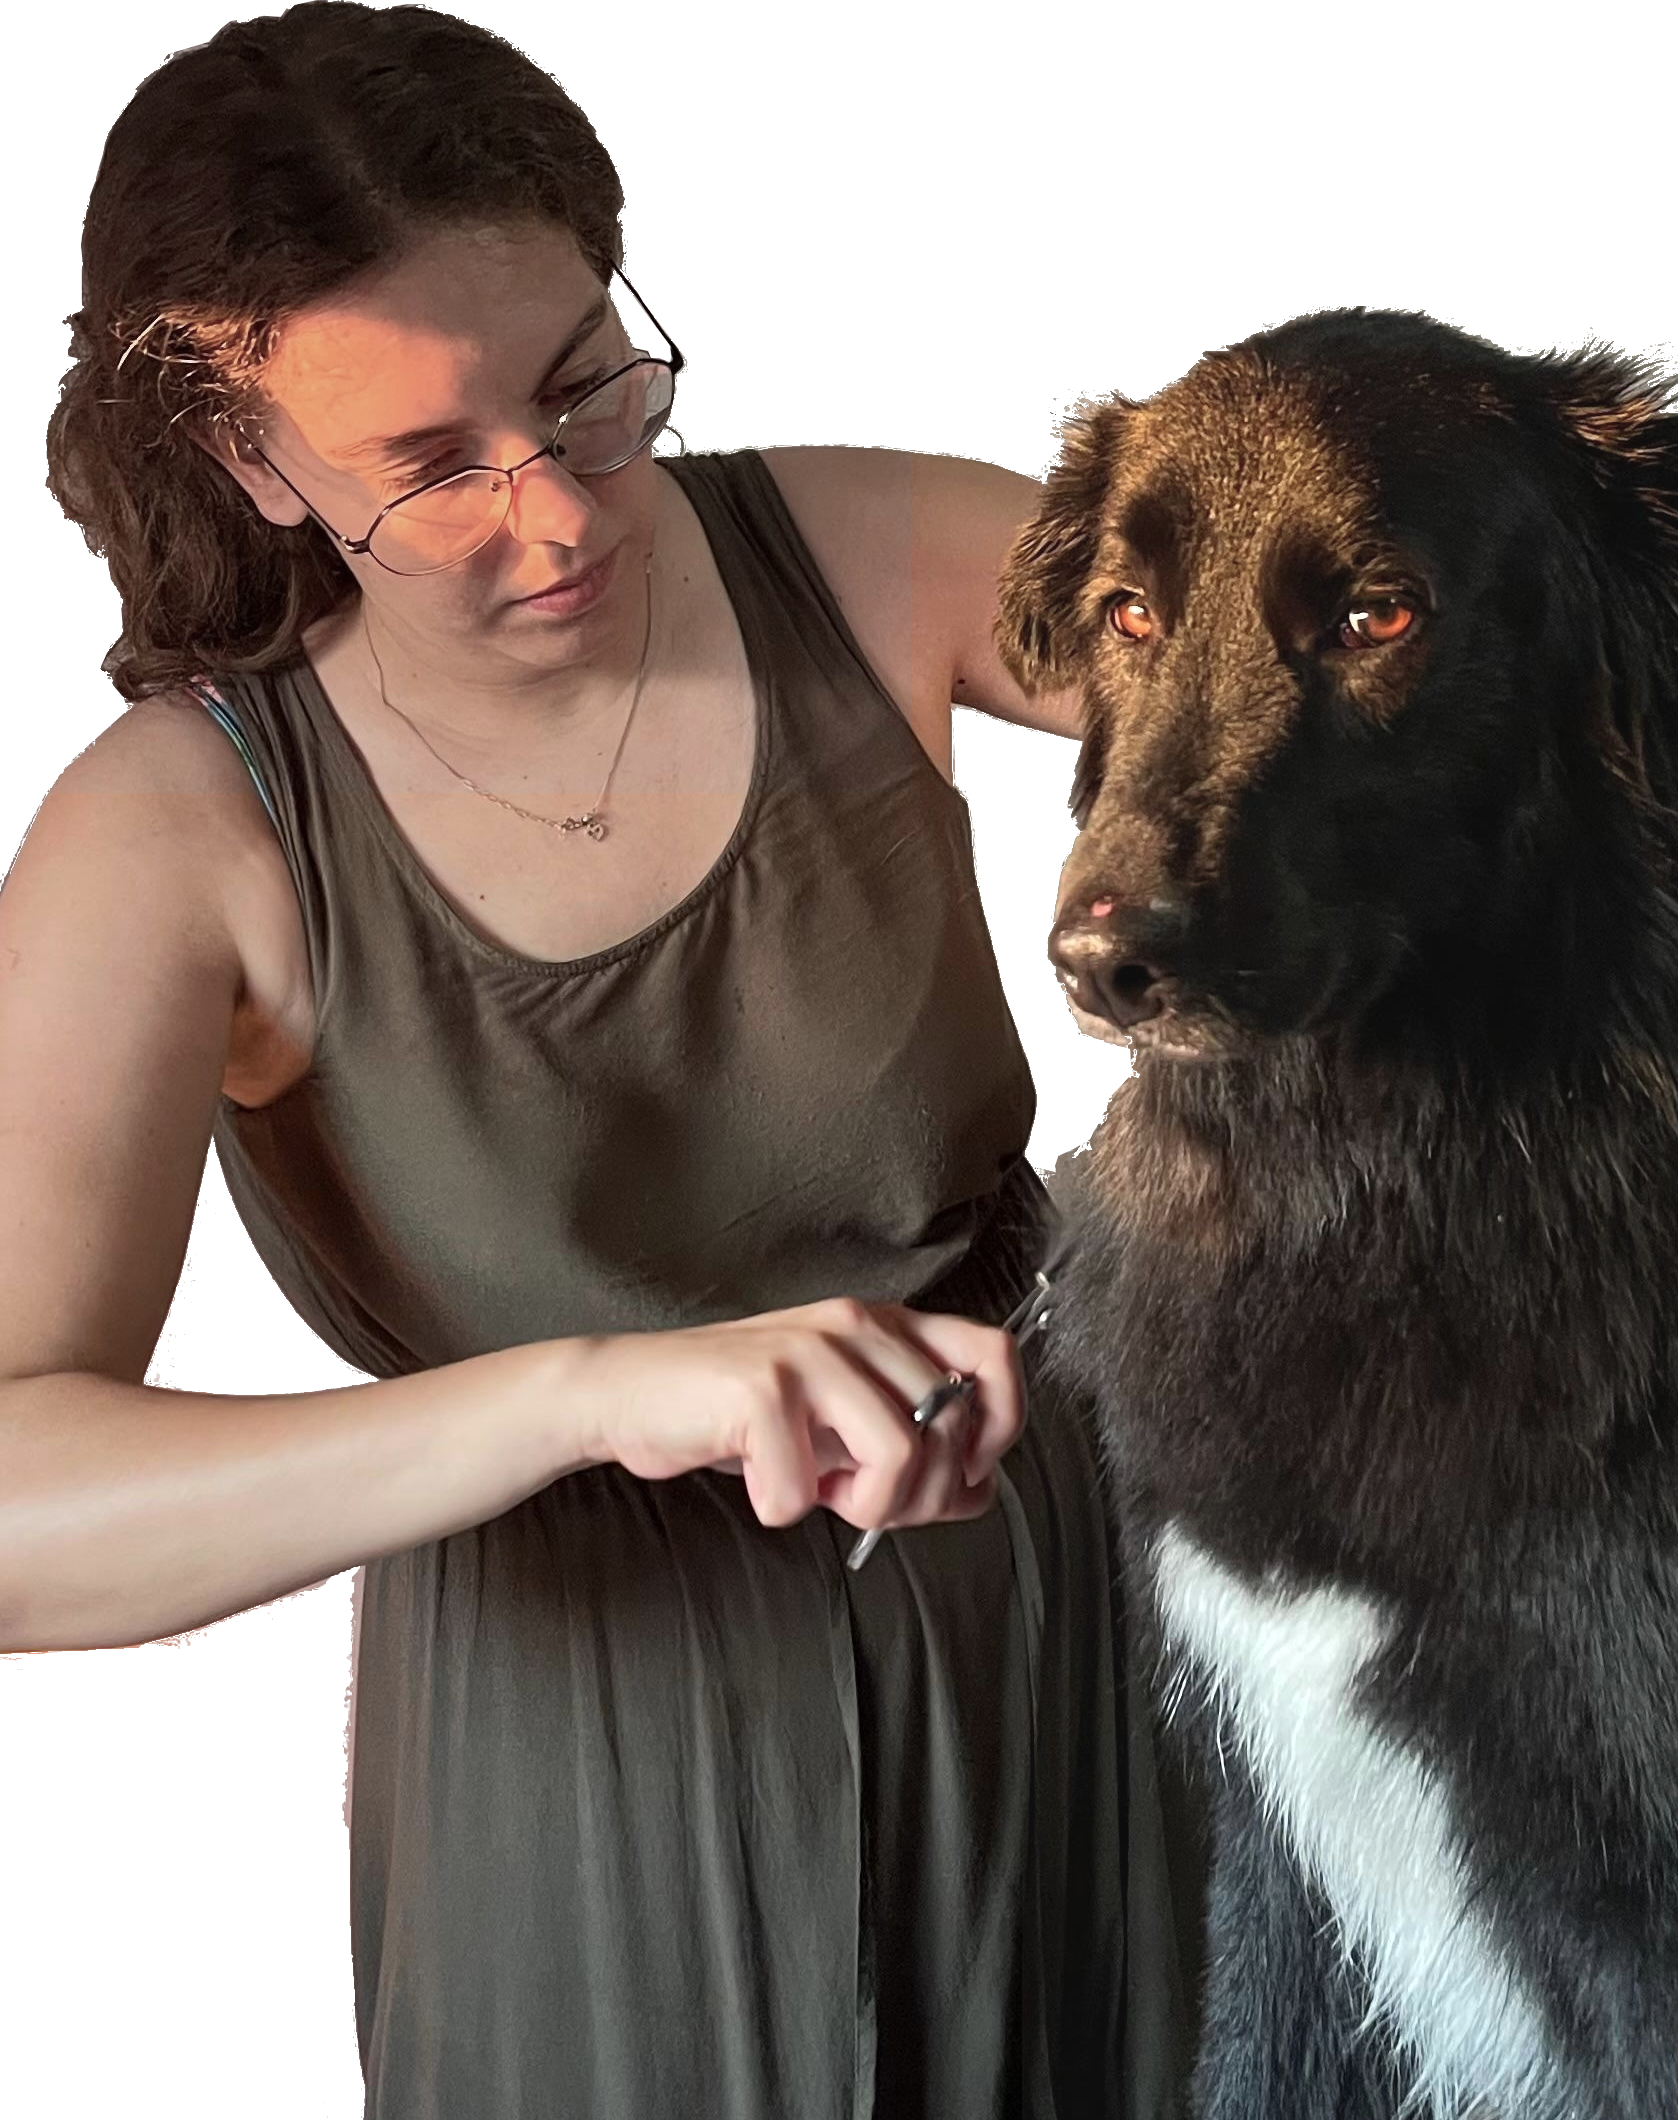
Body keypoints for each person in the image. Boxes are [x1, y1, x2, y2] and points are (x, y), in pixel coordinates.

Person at [1, 4, 1195, 2114]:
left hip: (1045, 1641)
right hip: (579, 1779)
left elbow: (1357, 723)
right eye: (429, 465)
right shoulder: (175, 836)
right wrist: (588, 1396)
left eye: (583, 388)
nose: (557, 515)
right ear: (250, 458)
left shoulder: (877, 557)